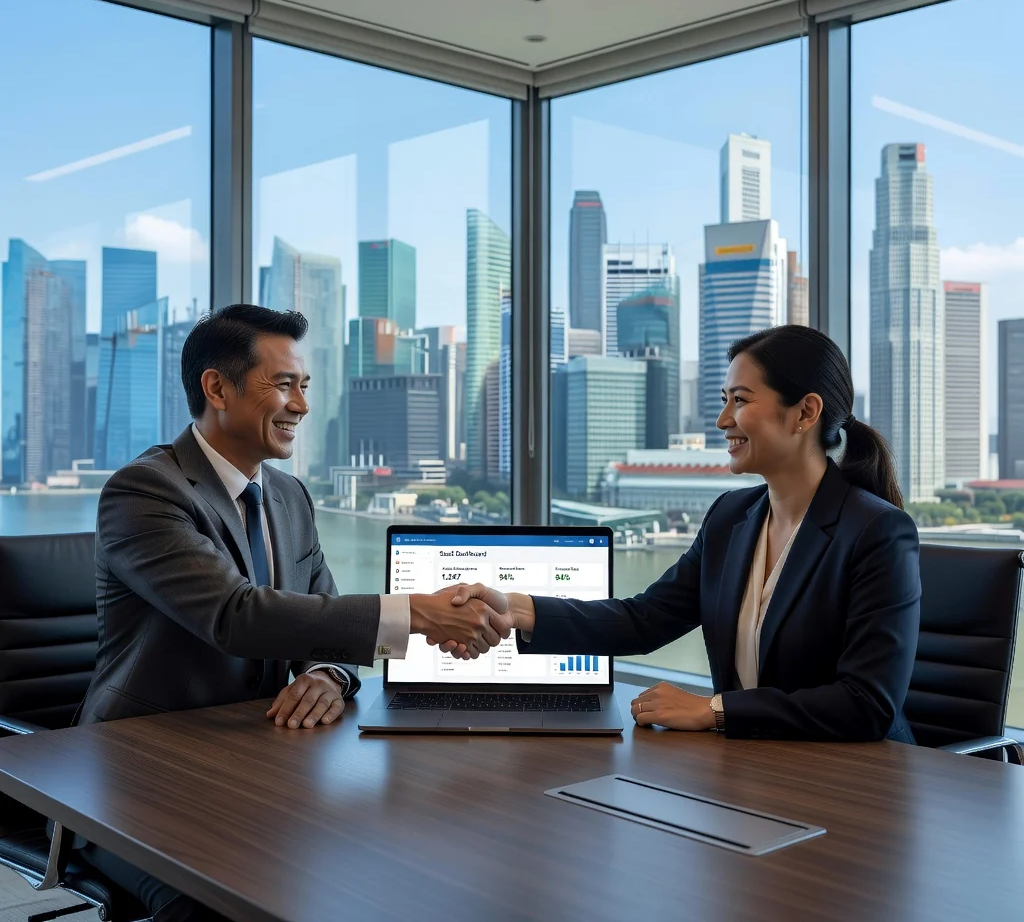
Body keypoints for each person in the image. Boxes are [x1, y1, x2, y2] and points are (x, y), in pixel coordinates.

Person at [76, 304, 509, 921]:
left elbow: (318, 614)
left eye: (303, 386)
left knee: (380, 872)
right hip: (139, 775)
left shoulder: (288, 495)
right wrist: (416, 615)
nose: (300, 406)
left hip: (253, 765)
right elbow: (236, 614)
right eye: (282, 385)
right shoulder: (144, 492)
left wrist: (328, 675)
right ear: (216, 388)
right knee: (230, 906)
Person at [441, 325, 922, 744]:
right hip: (754, 765)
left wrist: (714, 710)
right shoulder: (730, 517)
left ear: (805, 412)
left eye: (741, 400)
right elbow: (643, 620)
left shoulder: (877, 532)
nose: (722, 421)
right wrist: (517, 608)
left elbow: (867, 704)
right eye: (723, 401)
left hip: (860, 781)